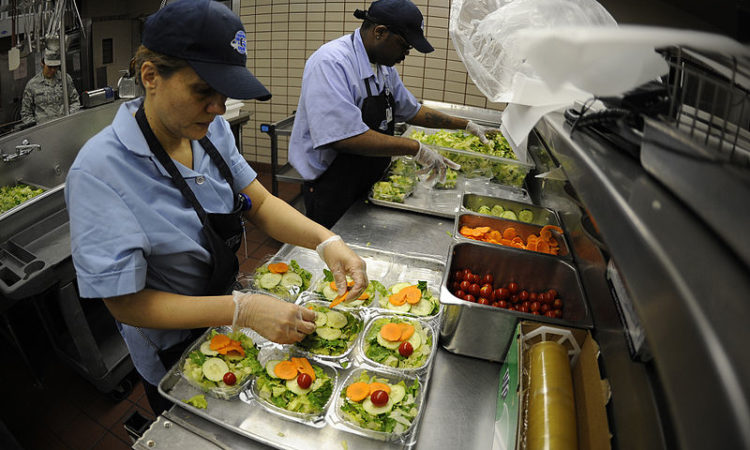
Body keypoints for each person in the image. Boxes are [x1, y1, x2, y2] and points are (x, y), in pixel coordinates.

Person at [65, 0, 367, 416]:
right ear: (150, 76)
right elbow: (124, 304)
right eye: (203, 91)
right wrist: (241, 309)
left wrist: (326, 241)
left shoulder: (210, 131)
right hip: (174, 343)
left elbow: (258, 202)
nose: (218, 108)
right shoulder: (100, 172)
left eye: (223, 93)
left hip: (228, 318)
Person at [289, 0, 499, 228]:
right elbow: (344, 137)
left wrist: (466, 124)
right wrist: (414, 148)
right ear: (380, 32)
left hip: (366, 179)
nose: (405, 55)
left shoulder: (383, 67)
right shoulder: (331, 63)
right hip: (331, 187)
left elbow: (411, 110)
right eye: (404, 46)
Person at [20, 48, 81, 126]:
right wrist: (36, 129)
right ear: (42, 64)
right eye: (49, 67)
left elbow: (75, 101)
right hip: (43, 130)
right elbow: (25, 113)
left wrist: (69, 119)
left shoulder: (65, 79)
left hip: (65, 125)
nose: (52, 70)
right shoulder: (32, 84)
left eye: (55, 67)